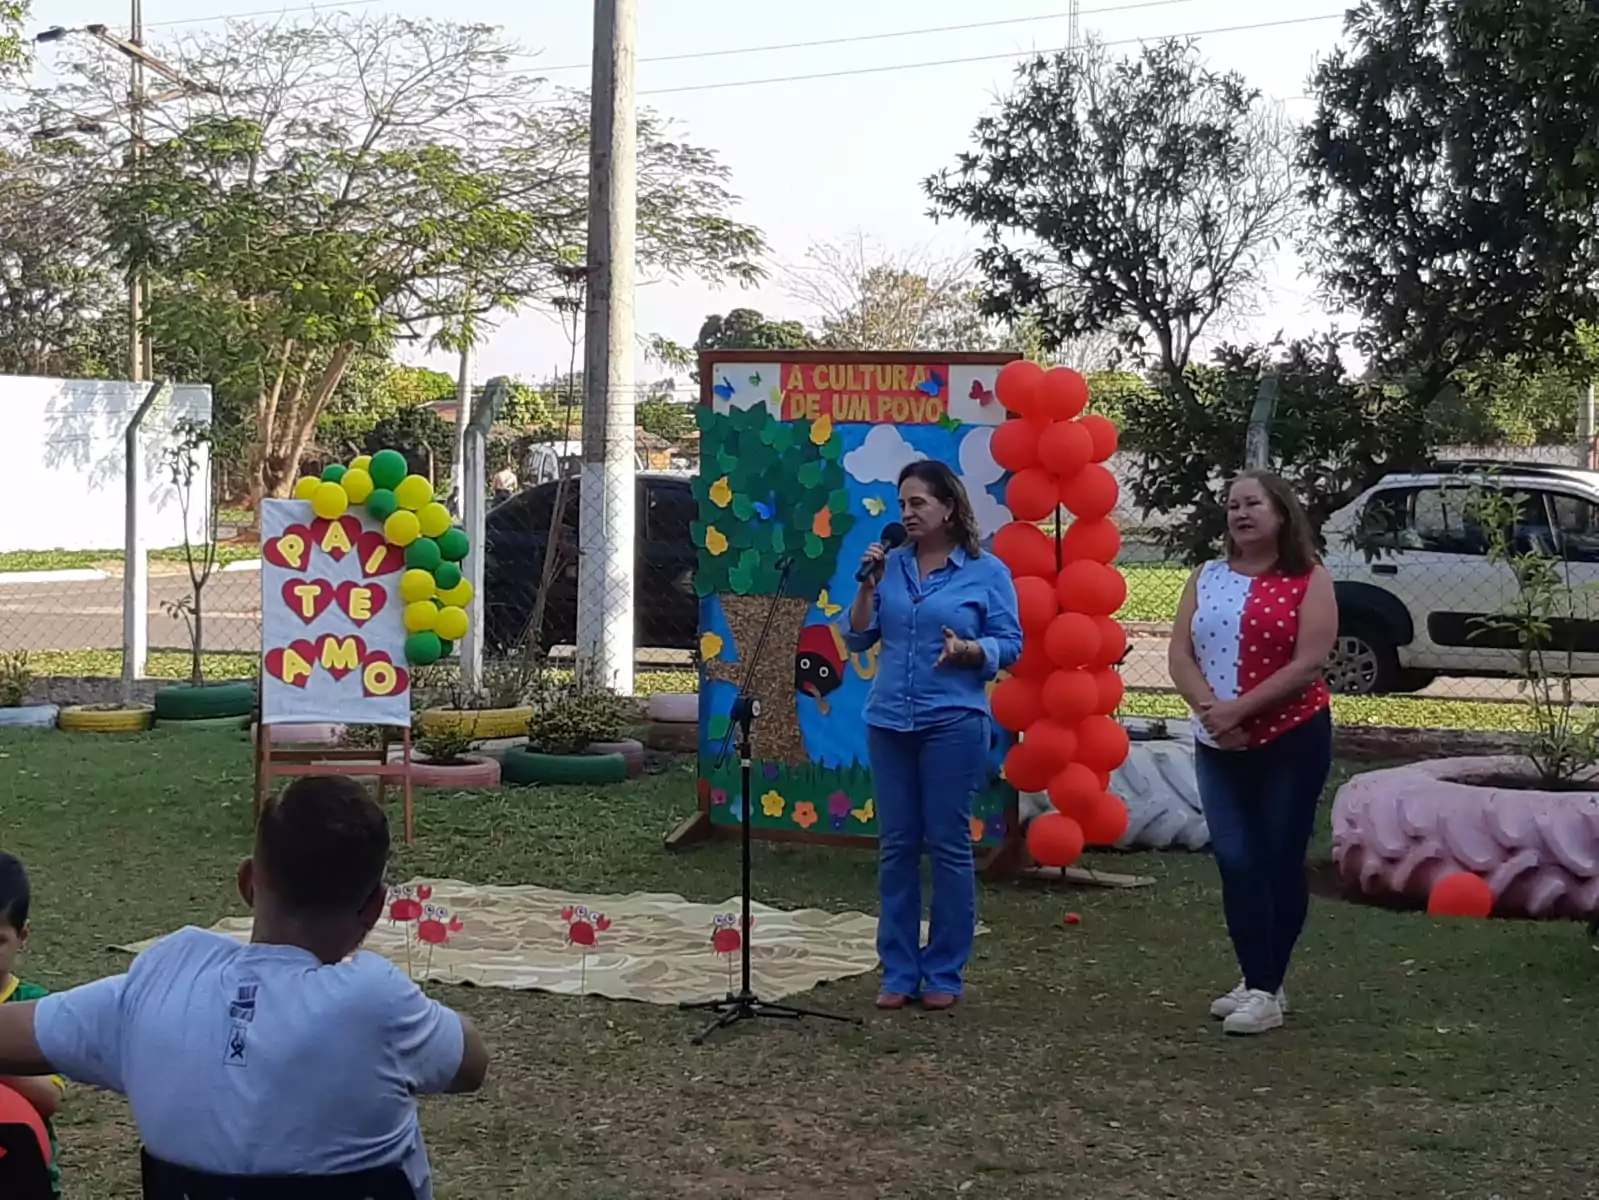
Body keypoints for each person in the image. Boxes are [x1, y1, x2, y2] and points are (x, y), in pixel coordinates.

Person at [0, 776, 489, 1196]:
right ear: (376, 906)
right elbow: (471, 1065)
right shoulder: (379, 1002)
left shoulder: (162, 983)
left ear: (248, 881)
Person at [844, 459, 1023, 1013]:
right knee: (897, 847)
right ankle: (899, 970)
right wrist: (868, 585)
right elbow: (857, 637)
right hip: (890, 721)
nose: (907, 513)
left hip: (953, 721)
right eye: (902, 505)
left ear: (949, 506)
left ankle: (943, 970)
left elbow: (1010, 644)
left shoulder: (985, 571)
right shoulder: (890, 566)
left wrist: (972, 652)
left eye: (918, 503)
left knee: (947, 846)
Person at [1168, 469, 1337, 1037]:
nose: (1240, 514)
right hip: (1217, 741)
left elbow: (1309, 662)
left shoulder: (1309, 578)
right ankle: (1258, 979)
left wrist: (1240, 710)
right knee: (1236, 860)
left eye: (1253, 504)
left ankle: (1265, 987)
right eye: (1232, 505)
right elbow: (1180, 652)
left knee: (1278, 858)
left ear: (1282, 514)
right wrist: (1211, 711)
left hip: (1291, 736)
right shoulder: (1207, 576)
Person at [0, 854, 64, 1196]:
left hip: (20, 1174)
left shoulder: (36, 1006)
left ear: (23, 935)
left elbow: (49, 1097)